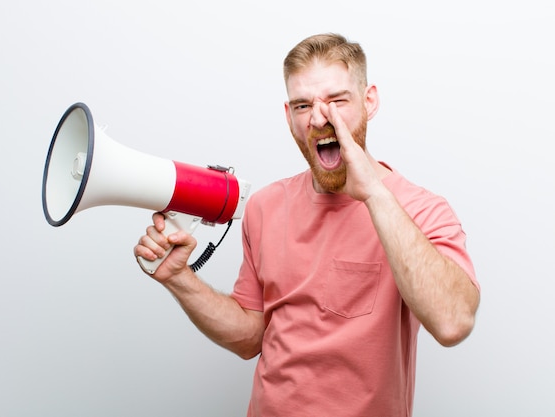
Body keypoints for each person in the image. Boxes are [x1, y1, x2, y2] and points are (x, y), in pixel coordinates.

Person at [134, 33, 481, 417]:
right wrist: (179, 278)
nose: (319, 118)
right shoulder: (266, 206)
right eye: (303, 105)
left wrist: (375, 195)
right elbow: (251, 337)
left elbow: (453, 322)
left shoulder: (421, 209)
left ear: (369, 102)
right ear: (289, 116)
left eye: (337, 100)